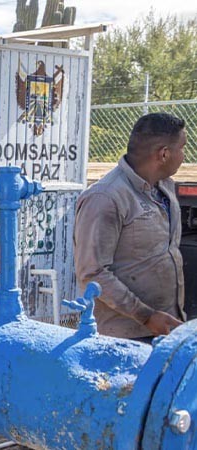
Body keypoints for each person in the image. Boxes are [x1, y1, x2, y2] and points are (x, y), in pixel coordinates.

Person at [74, 112, 187, 341]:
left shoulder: (164, 187)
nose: (184, 156)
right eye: (182, 148)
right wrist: (146, 316)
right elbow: (92, 273)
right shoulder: (106, 198)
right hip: (126, 337)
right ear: (164, 154)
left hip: (165, 328)